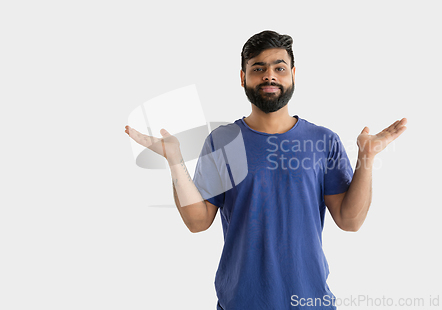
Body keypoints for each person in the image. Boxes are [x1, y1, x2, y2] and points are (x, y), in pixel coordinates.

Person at [125, 30, 407, 310]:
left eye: (279, 68)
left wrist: (366, 158)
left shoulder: (323, 140)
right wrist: (174, 160)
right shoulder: (223, 142)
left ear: (293, 74)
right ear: (242, 77)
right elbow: (197, 223)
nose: (269, 76)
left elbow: (350, 221)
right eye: (258, 68)